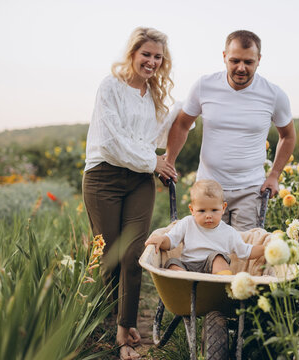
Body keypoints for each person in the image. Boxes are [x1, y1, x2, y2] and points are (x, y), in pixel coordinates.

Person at [82, 27, 178, 360]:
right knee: (108, 256)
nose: (151, 62)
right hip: (103, 177)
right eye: (146, 54)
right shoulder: (110, 87)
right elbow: (111, 144)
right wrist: (154, 162)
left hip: (139, 181)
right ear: (133, 54)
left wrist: (164, 161)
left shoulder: (157, 97)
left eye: (157, 57)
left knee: (133, 255)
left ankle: (125, 331)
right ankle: (99, 323)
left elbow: (175, 128)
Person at [166, 30, 296, 231]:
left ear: (259, 60)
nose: (241, 68)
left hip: (250, 189)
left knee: (242, 252)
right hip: (209, 188)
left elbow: (287, 136)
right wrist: (169, 161)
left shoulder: (274, 94)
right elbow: (182, 125)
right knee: (207, 250)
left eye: (248, 62)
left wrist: (274, 175)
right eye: (235, 61)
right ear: (224, 57)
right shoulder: (204, 86)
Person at [145, 179, 265, 274]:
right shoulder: (187, 223)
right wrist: (161, 240)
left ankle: (221, 282)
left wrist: (266, 249)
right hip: (187, 266)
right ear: (192, 210)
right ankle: (183, 280)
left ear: (223, 208)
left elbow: (246, 251)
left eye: (214, 210)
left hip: (212, 268)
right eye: (202, 211)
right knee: (172, 263)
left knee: (218, 257)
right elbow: (171, 241)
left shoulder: (228, 232)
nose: (208, 216)